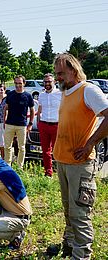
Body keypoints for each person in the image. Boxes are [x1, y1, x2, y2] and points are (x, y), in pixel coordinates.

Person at [51, 53, 108, 259]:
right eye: (56, 74)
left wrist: (90, 143)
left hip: (80, 164)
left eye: (61, 74)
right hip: (63, 161)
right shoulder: (66, 92)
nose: (58, 78)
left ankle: (82, 254)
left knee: (80, 212)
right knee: (68, 209)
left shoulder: (88, 90)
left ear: (73, 70)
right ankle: (70, 246)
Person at [3, 75, 35, 167]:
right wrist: (4, 120)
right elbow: (6, 108)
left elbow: (32, 110)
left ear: (24, 83)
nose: (18, 85)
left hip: (22, 125)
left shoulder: (28, 96)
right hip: (9, 124)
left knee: (21, 147)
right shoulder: (10, 95)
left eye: (20, 83)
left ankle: (19, 167)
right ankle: (7, 166)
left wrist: (30, 124)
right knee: (7, 147)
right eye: (16, 83)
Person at [37, 73, 61, 177]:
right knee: (45, 150)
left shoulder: (60, 93)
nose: (47, 84)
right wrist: (38, 123)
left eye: (49, 82)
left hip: (56, 125)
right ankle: (48, 172)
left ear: (54, 82)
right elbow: (40, 109)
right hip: (44, 124)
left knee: (58, 150)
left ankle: (60, 171)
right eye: (45, 82)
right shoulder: (41, 95)